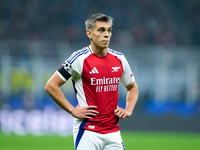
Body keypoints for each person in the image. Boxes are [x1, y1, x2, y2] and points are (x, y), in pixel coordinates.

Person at [44, 13, 139, 150]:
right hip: (88, 130)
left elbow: (132, 87)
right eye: (101, 30)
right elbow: (51, 86)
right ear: (89, 33)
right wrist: (72, 110)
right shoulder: (79, 58)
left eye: (109, 30)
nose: (106, 34)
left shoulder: (120, 59)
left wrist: (128, 109)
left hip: (113, 131)